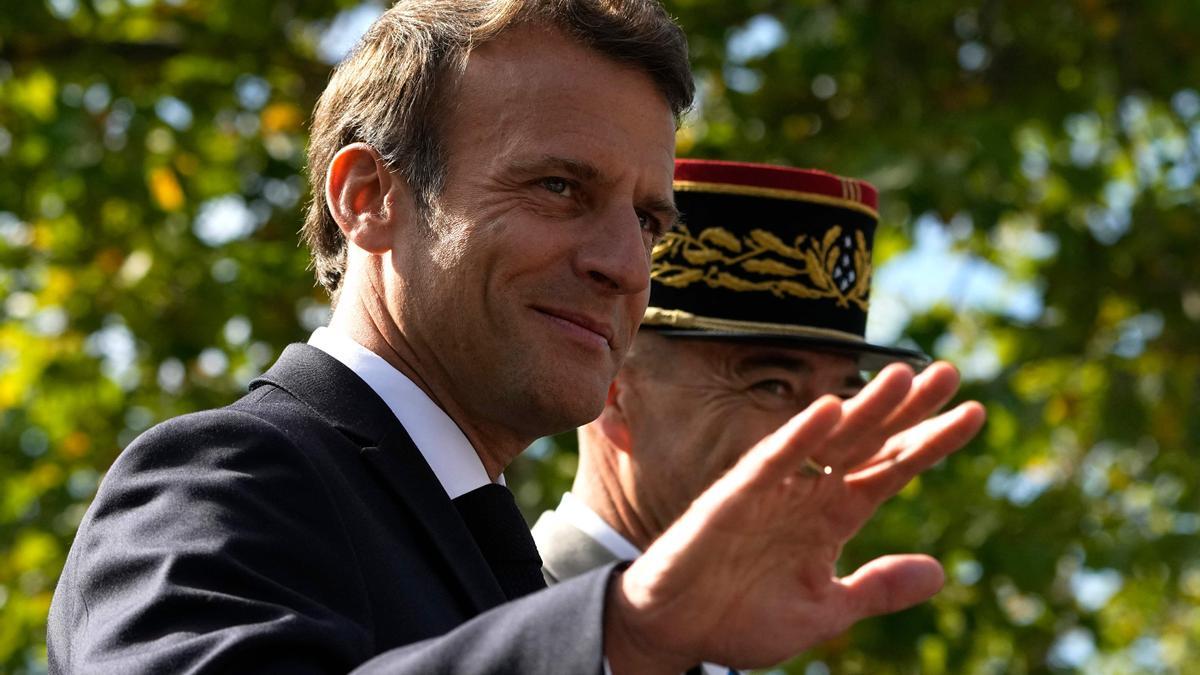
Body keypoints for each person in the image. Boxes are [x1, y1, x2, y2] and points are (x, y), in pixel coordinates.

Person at [48, 2, 986, 673]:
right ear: (369, 198)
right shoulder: (222, 476)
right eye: (558, 189)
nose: (625, 262)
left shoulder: (489, 552)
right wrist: (628, 632)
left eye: (650, 221)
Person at [533, 161, 951, 673]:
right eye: (772, 386)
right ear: (615, 394)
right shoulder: (479, 615)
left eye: (846, 398)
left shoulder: (735, 653)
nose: (824, 435)